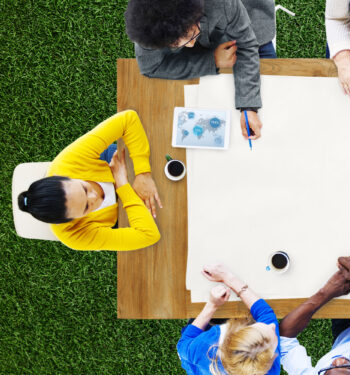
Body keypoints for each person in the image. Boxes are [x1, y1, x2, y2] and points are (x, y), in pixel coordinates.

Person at [125, 0, 277, 141]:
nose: (190, 45)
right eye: (176, 43)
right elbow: (151, 67)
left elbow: (247, 45)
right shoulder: (148, 26)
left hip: (238, 18)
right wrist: (212, 60)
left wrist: (249, 107)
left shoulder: (223, 3)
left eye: (191, 35)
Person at [16, 110, 161, 251]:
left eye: (84, 189)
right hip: (118, 210)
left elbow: (128, 119)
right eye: (87, 207)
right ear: (70, 220)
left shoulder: (68, 161)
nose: (95, 196)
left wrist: (143, 173)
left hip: (112, 164)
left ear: (67, 177)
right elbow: (148, 235)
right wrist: (122, 185)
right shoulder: (73, 236)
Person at [178, 263, 281, 375]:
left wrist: (212, 305)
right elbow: (266, 315)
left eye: (256, 327)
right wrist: (229, 279)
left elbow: (184, 343)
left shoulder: (204, 346)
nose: (273, 326)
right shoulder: (269, 366)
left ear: (234, 335)